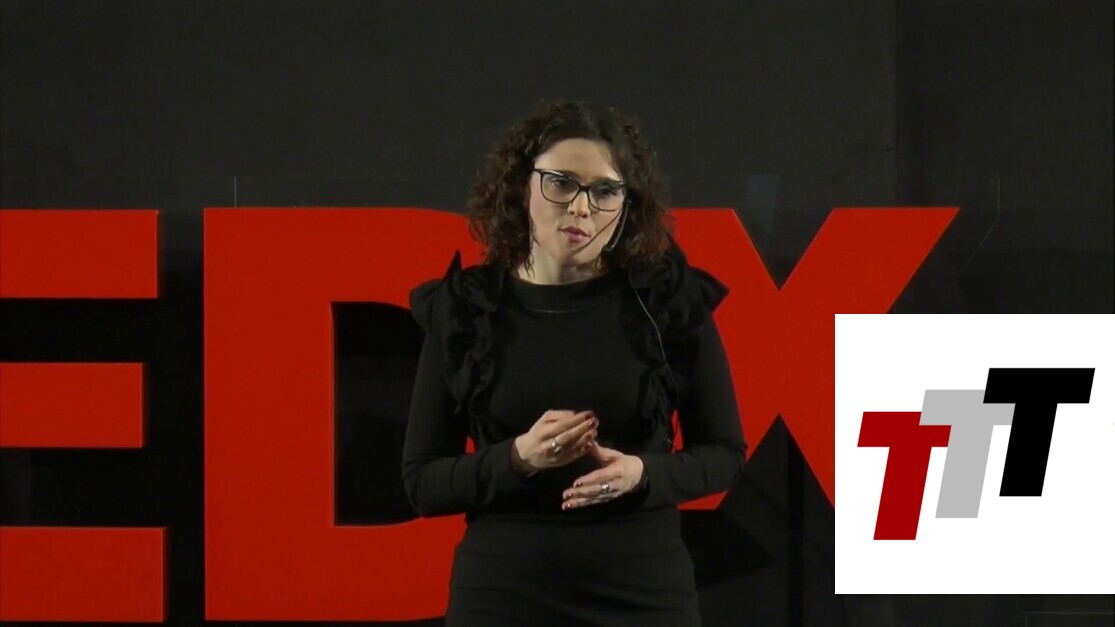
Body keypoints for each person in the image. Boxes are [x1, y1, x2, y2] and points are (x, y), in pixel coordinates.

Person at [402, 100, 746, 627]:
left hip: (643, 595)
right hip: (504, 598)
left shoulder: (666, 302)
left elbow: (725, 454)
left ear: (627, 204)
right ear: (522, 186)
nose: (582, 209)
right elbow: (422, 483)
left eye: (605, 191)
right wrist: (517, 458)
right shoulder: (467, 310)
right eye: (561, 183)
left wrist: (643, 473)